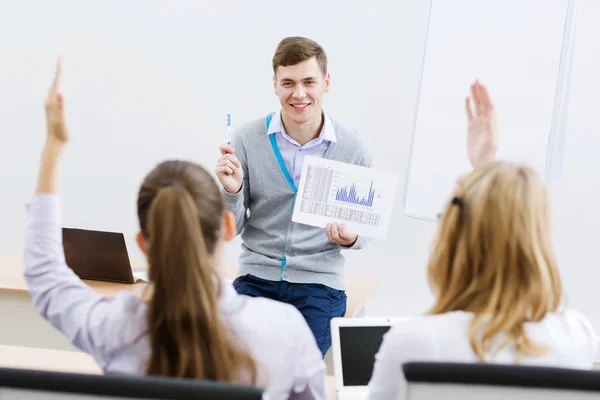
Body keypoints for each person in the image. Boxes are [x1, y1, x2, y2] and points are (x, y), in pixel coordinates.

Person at [24, 58, 328, 400]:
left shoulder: (117, 329)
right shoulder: (282, 329)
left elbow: (46, 275)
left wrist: (53, 146)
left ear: (143, 243)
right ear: (228, 227)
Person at [367, 81, 597, 400]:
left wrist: (483, 172)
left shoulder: (413, 343)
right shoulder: (575, 335)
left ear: (451, 241)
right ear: (536, 240)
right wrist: (486, 170)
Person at [215, 36, 371, 356]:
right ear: (275, 85)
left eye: (309, 82)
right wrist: (232, 191)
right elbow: (231, 227)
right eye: (288, 83)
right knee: (234, 364)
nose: (299, 94)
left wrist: (351, 236)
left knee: (298, 371)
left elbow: (364, 232)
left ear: (326, 82)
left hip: (318, 285)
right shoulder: (247, 139)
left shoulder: (353, 149)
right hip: (255, 279)